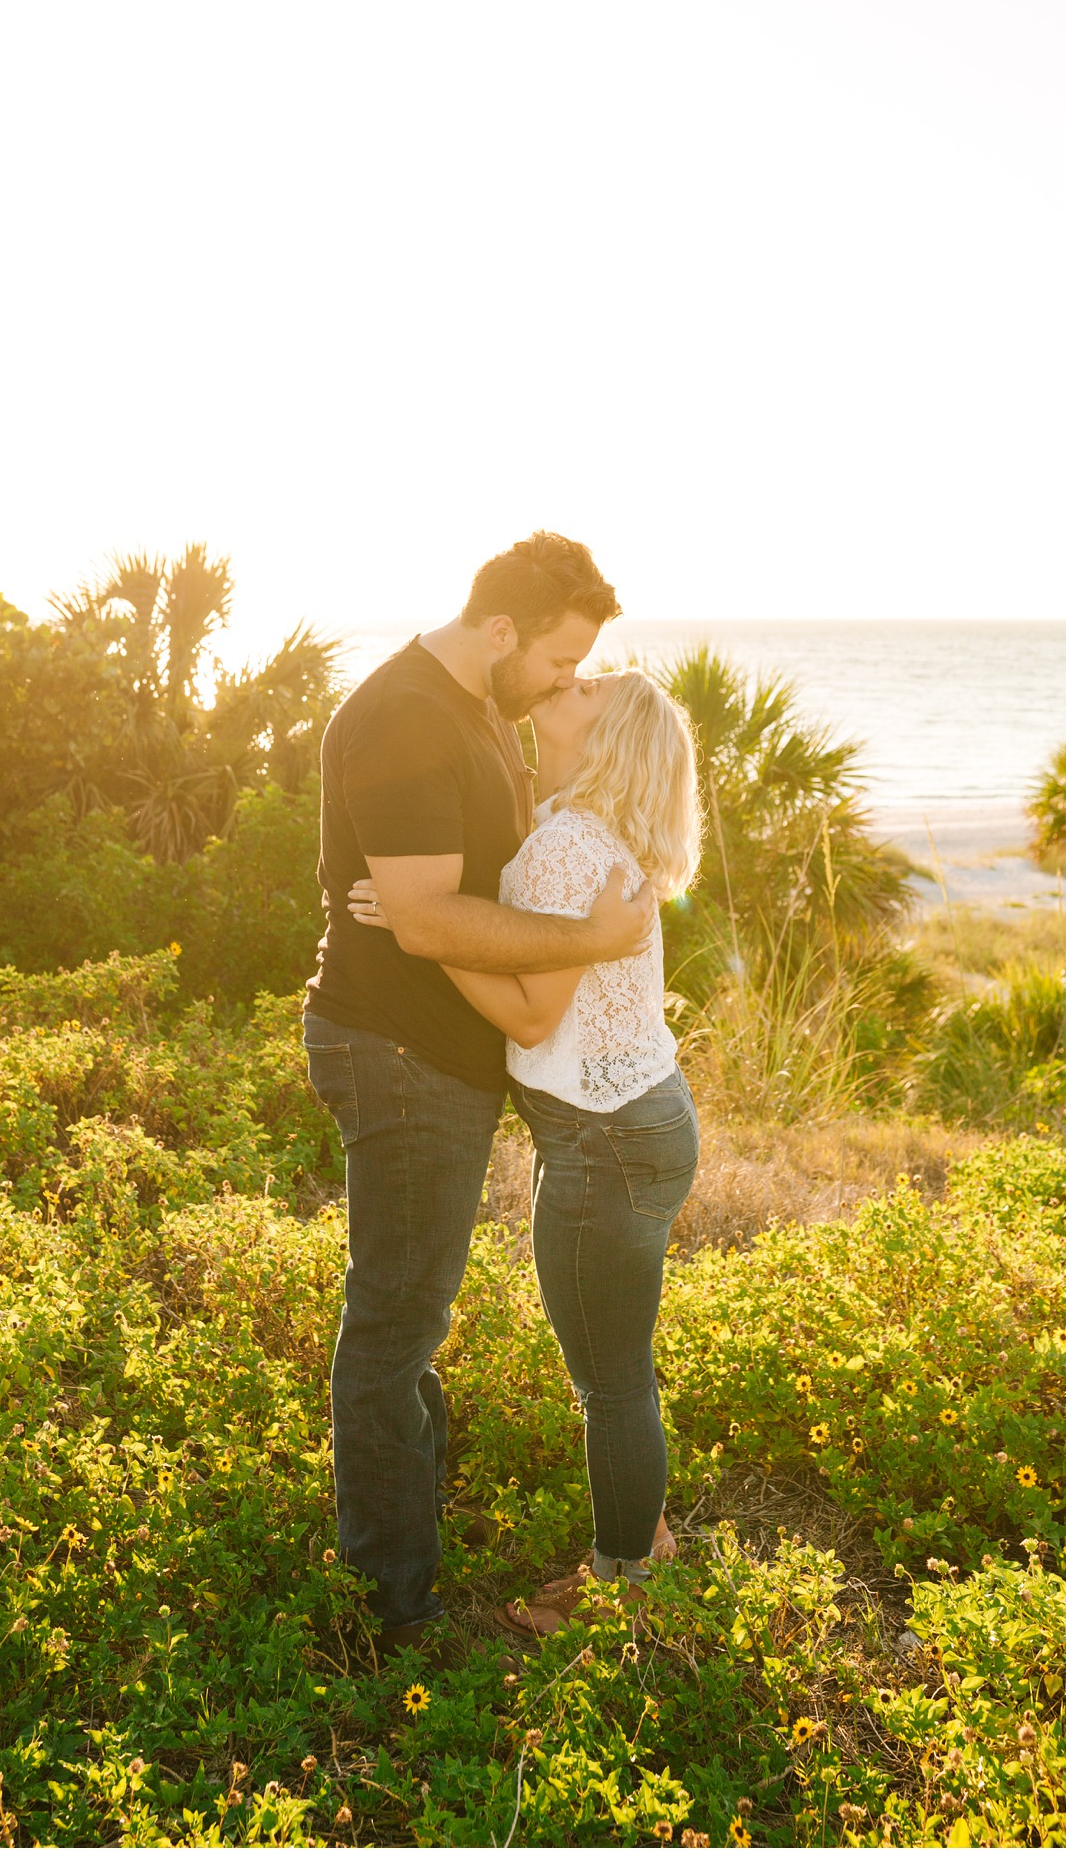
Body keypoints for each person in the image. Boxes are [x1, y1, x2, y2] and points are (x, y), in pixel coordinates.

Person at [302, 530, 655, 1666]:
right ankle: (394, 1610)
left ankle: (412, 1525)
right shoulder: (406, 717)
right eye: (559, 661)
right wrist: (590, 937)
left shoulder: (480, 713)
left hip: (441, 1059)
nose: (567, 683)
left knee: (415, 1308)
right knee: (395, 1323)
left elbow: (461, 901)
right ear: (500, 629)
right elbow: (426, 917)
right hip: (399, 1057)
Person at [349, 666, 703, 1641]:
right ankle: (649, 1534)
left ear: (611, 740)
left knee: (611, 1380)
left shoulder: (565, 848)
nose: (574, 678)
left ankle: (625, 1580)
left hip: (606, 1139)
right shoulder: (578, 828)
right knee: (620, 1368)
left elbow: (529, 1008)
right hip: (635, 1121)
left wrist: (424, 930)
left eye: (595, 689)